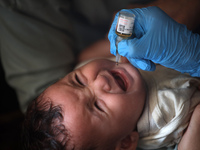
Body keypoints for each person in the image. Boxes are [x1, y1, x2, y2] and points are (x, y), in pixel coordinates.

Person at [22, 58, 200, 150]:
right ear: (125, 143)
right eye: (98, 106)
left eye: (78, 81)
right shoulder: (169, 112)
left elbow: (85, 58)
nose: (100, 81)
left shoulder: (92, 68)